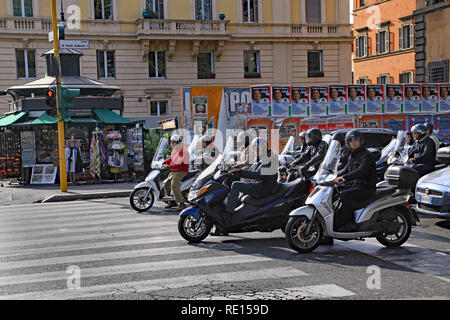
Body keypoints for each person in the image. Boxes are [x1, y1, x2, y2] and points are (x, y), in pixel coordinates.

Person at [333, 130, 377, 232]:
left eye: (356, 140)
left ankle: (349, 224)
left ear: (361, 141)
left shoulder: (366, 155)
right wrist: (333, 175)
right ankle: (335, 225)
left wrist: (344, 177)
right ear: (347, 143)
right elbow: (345, 169)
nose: (353, 143)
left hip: (366, 188)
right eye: (350, 141)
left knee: (344, 196)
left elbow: (361, 171)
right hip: (355, 185)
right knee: (335, 193)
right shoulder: (352, 155)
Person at [225, 137, 279, 214]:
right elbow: (251, 171)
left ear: (264, 148)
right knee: (240, 196)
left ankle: (228, 213)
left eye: (258, 148)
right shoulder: (260, 158)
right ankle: (235, 215)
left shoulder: (269, 158)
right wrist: (233, 172)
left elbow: (258, 174)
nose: (256, 151)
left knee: (236, 185)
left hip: (265, 187)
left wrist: (240, 172)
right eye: (254, 148)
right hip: (258, 184)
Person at [162, 135, 190, 211]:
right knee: (166, 184)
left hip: (181, 171)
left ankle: (181, 204)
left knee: (174, 185)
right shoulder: (175, 150)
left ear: (177, 142)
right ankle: (173, 201)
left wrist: (168, 166)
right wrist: (163, 162)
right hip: (174, 170)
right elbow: (172, 160)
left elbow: (179, 162)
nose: (171, 144)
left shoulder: (183, 150)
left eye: (173, 142)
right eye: (171, 142)